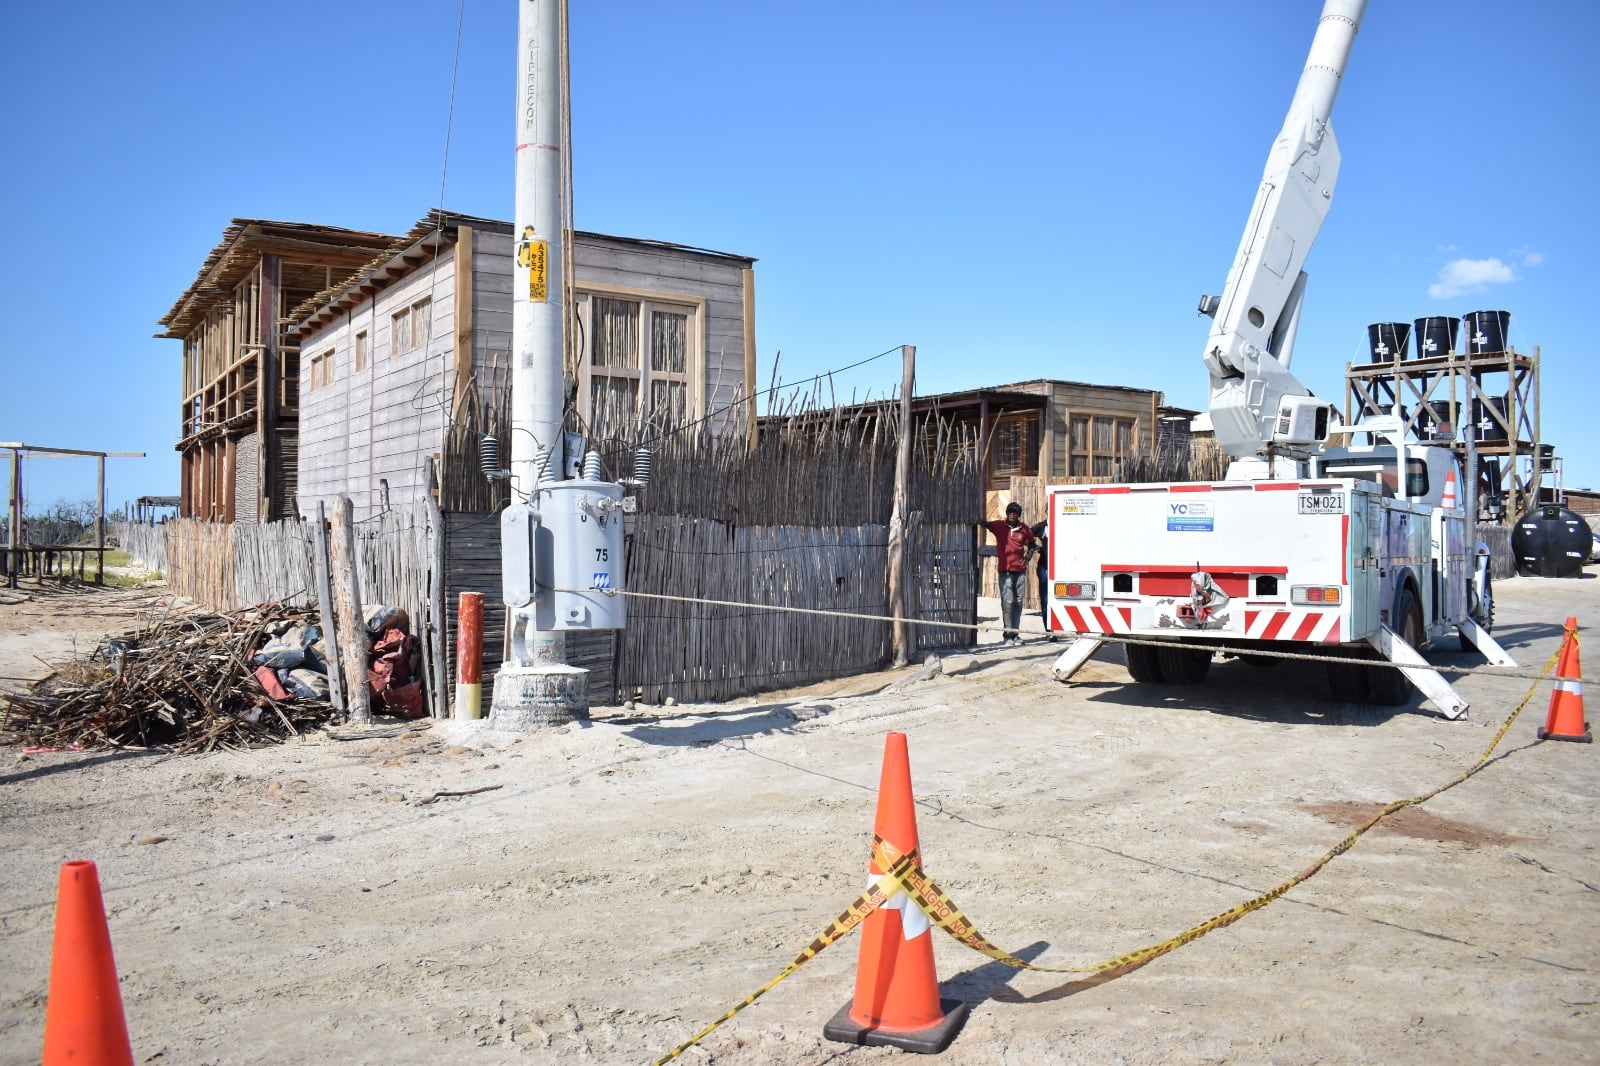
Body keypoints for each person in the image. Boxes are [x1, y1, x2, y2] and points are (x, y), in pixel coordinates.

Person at [981, 501, 1034, 646]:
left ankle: (1015, 634)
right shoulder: (999, 526)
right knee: (1008, 602)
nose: (1011, 514)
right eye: (1009, 511)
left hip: (1020, 571)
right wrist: (976, 516)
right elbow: (985, 524)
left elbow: (1032, 544)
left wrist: (1027, 557)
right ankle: (1007, 635)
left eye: (1014, 512)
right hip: (1005, 571)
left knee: (1018, 603)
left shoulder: (1024, 529)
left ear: (1018, 515)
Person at [1029, 518, 1054, 640]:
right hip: (1045, 566)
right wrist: (1037, 548)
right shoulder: (1043, 526)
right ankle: (1049, 631)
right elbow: (1026, 535)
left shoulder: (1065, 522)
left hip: (1062, 566)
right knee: (1046, 599)